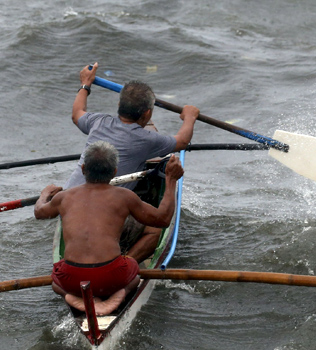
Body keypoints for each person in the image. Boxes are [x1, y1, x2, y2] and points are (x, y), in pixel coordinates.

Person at [65, 62, 200, 263]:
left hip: (69, 208)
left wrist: (85, 84)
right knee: (155, 229)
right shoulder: (146, 140)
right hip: (102, 218)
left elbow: (77, 113)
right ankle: (124, 265)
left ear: (119, 107)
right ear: (147, 114)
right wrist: (190, 117)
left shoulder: (98, 121)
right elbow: (182, 141)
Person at [34, 141, 184, 316]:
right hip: (112, 279)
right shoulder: (125, 196)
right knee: (134, 274)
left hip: (72, 280)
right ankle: (121, 293)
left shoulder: (63, 197)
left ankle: (72, 296)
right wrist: (171, 180)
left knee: (55, 282)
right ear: (114, 172)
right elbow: (163, 219)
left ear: (83, 169)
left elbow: (39, 212)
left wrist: (44, 194)